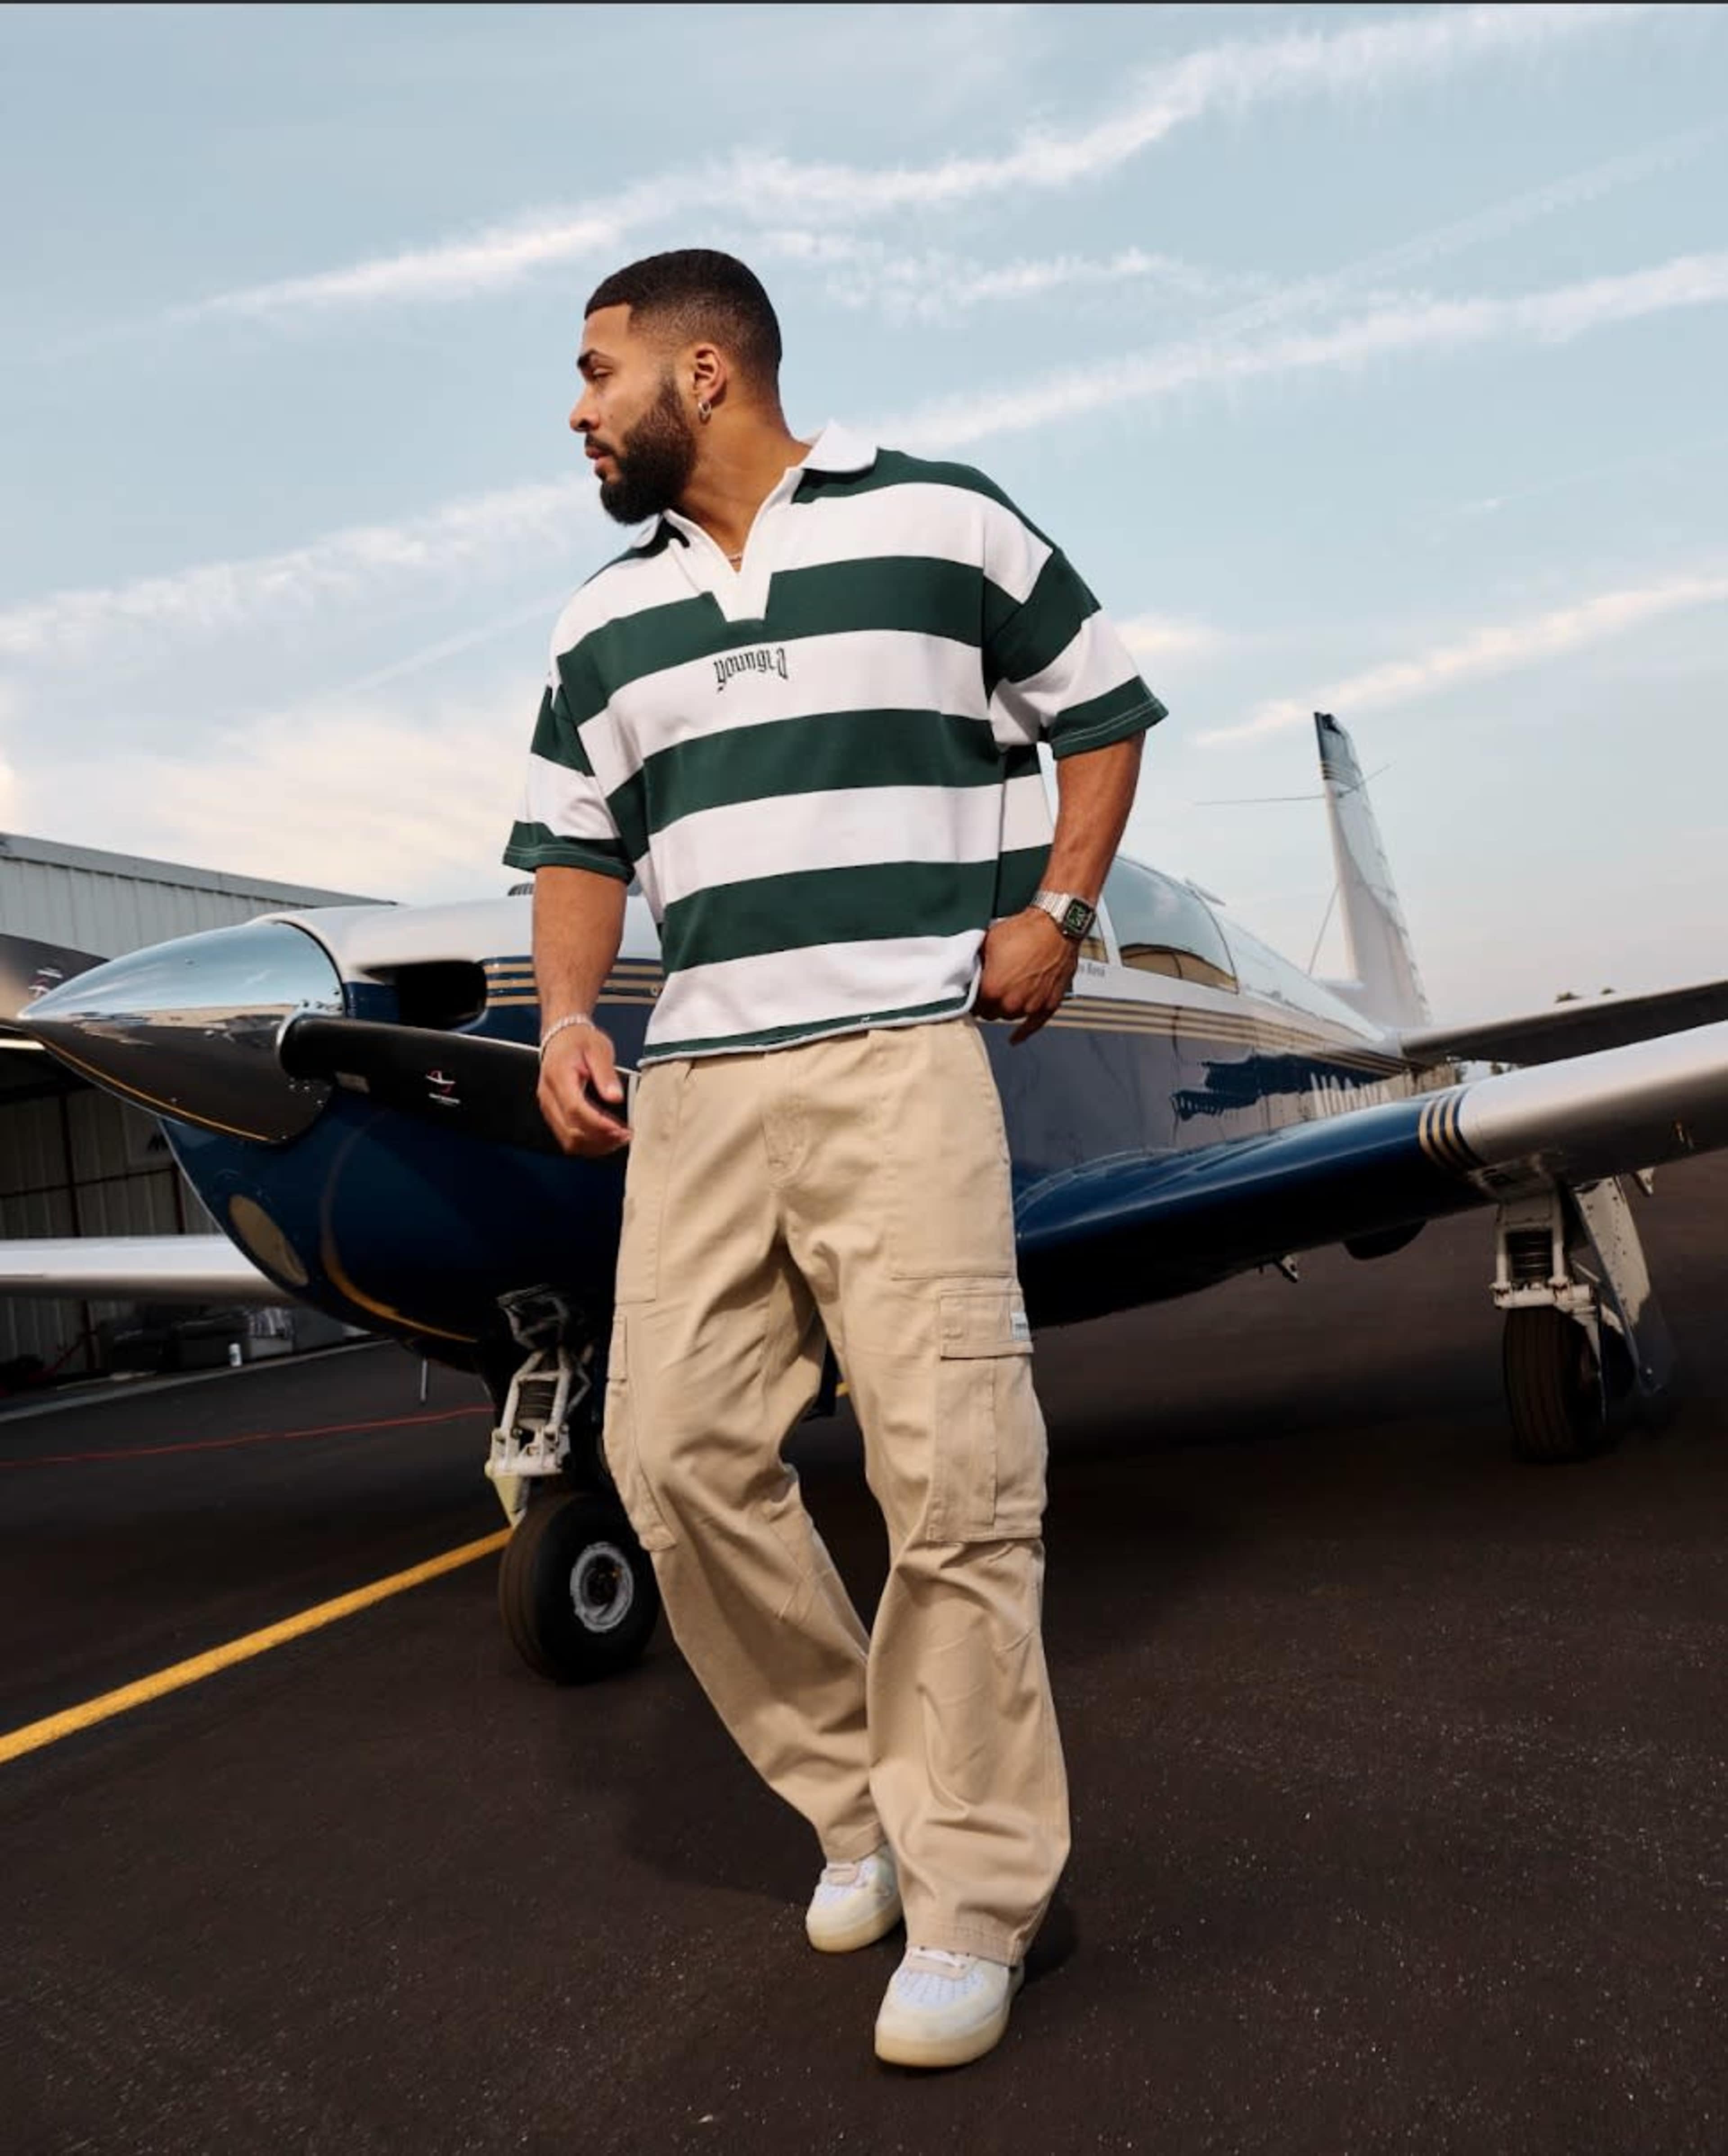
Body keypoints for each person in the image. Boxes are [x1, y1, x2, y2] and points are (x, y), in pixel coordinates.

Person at [504, 249, 1162, 2069]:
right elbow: (575, 849)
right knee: (672, 1452)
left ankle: (974, 1897)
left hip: (901, 1058)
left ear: (701, 374)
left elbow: (1102, 711)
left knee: (951, 1469)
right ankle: (860, 1796)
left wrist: (1062, 907)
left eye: (593, 373)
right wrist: (572, 1014)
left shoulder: (943, 519)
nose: (575, 412)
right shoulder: (594, 626)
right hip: (702, 1081)